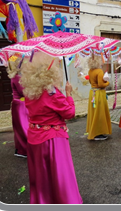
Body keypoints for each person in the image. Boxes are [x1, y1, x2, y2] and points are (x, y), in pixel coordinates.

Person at [19, 52, 82, 204]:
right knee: (60, 174)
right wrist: (68, 94)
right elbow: (70, 113)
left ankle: (43, 201)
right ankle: (65, 201)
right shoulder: (52, 93)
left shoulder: (30, 92)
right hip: (53, 140)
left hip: (35, 137)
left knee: (41, 176)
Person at [7, 55, 29, 158]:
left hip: (19, 104)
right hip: (21, 105)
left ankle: (21, 149)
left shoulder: (16, 75)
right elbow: (23, 92)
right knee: (24, 128)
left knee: (20, 128)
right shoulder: (17, 77)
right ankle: (26, 150)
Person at [86, 54, 112, 140]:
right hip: (99, 93)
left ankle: (94, 131)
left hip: (92, 93)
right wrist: (107, 83)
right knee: (100, 113)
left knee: (94, 113)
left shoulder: (90, 71)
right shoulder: (99, 71)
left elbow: (91, 81)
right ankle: (98, 133)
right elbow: (101, 84)